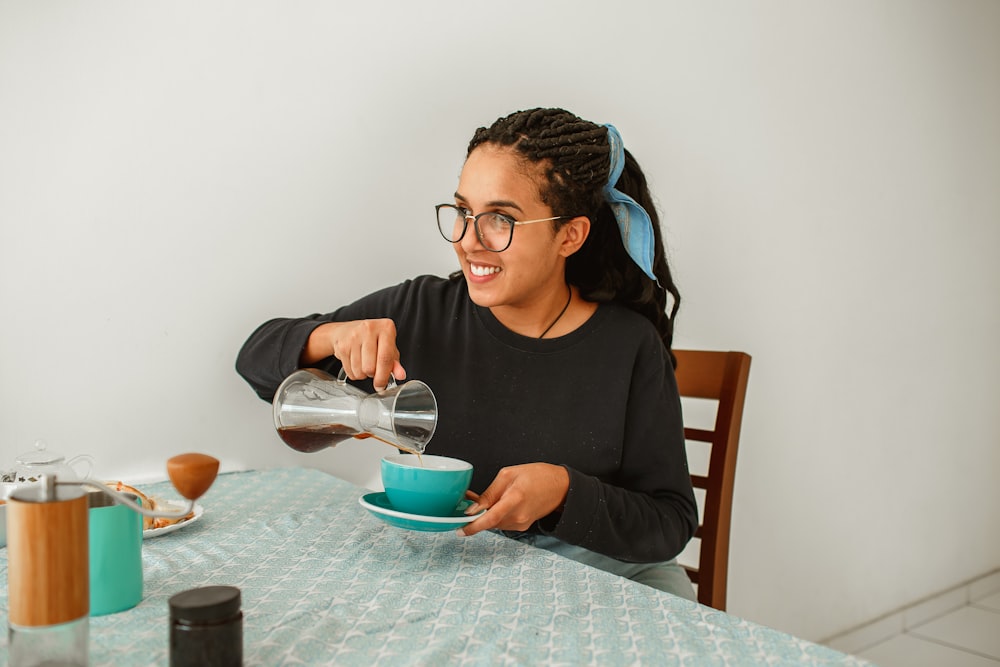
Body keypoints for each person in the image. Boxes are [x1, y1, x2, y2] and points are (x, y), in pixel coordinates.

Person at [236, 107, 699, 600]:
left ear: (570, 235)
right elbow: (256, 364)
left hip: (606, 579)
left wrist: (566, 491)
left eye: (500, 219)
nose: (469, 241)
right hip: (460, 571)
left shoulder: (628, 346)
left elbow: (670, 521)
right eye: (462, 212)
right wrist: (331, 337)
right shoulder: (421, 310)